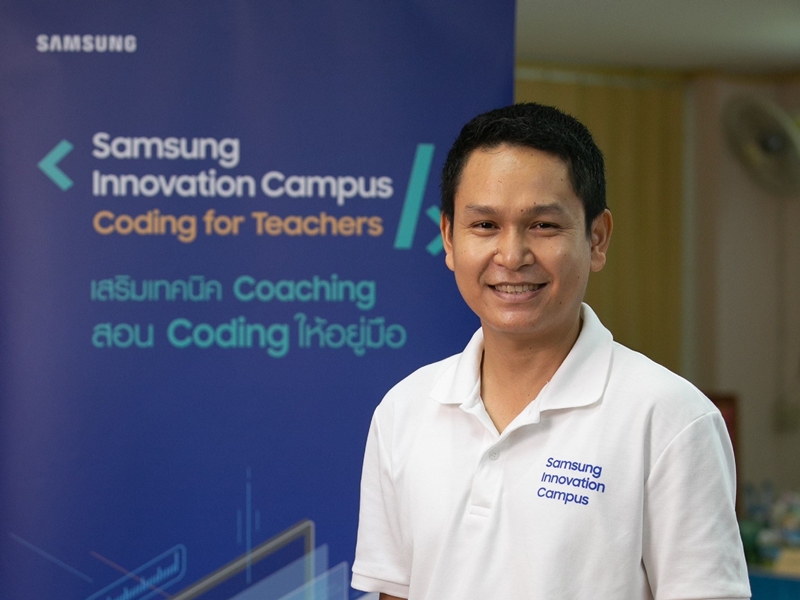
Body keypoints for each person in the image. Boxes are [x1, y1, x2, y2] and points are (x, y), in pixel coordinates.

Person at [351, 103, 750, 600]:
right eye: (485, 225)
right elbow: (396, 592)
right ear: (449, 238)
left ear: (597, 239)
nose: (512, 256)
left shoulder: (671, 418)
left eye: (542, 225)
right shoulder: (404, 410)